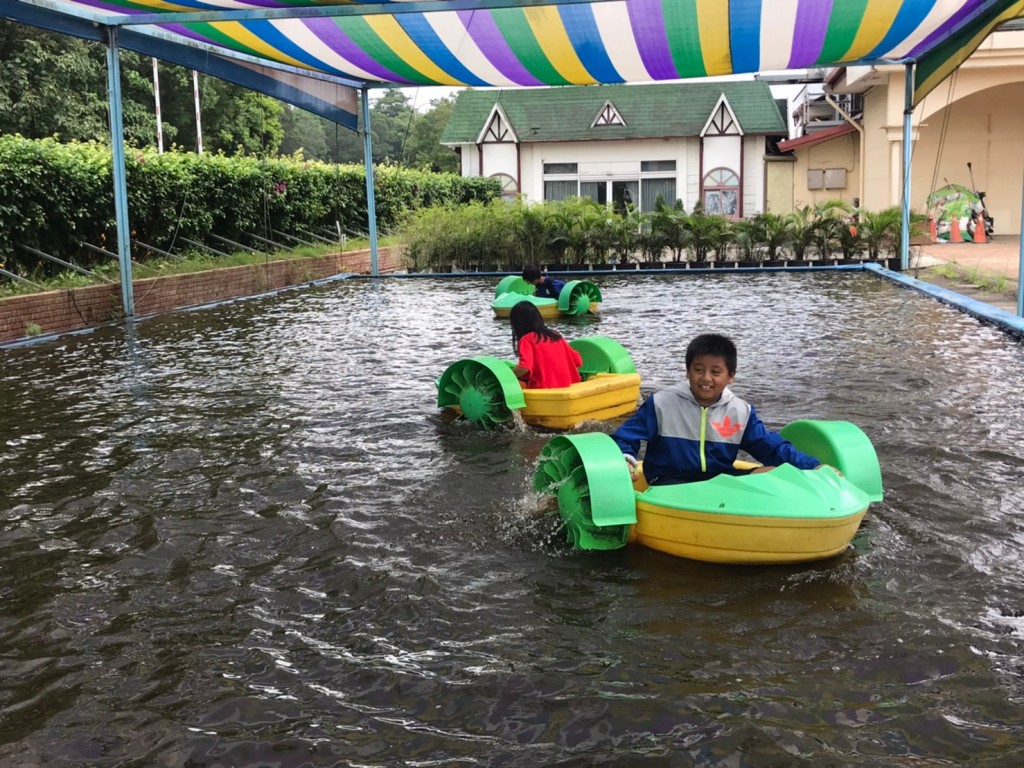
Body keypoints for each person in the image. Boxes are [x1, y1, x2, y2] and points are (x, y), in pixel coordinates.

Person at [611, 333, 829, 485]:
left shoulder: (741, 411)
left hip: (719, 480)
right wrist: (626, 458)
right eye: (698, 370)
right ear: (688, 372)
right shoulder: (662, 403)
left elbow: (772, 449)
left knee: (775, 473)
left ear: (730, 377)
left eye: (716, 372)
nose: (706, 378)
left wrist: (814, 467)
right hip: (670, 482)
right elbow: (625, 436)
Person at [509, 301, 582, 389]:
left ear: (517, 324)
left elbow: (524, 368)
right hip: (569, 386)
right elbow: (578, 361)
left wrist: (507, 375)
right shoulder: (555, 335)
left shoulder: (527, 339)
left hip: (544, 389)